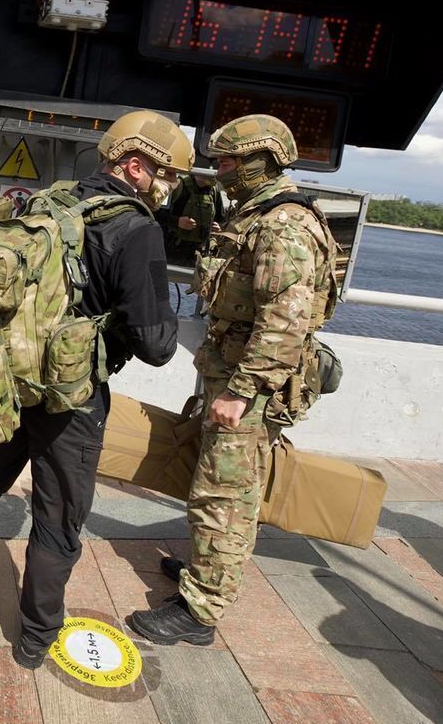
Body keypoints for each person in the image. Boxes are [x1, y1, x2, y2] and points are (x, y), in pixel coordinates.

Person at [0, 109, 187, 668]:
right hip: (71, 400)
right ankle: (36, 637)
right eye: (168, 175)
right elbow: (156, 345)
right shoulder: (137, 229)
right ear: (135, 166)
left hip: (7, 379)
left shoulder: (52, 200)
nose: (170, 188)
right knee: (58, 522)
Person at [126, 113, 337, 646]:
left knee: (225, 497)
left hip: (249, 390)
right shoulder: (259, 213)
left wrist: (242, 393)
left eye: (228, 161)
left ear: (259, 161)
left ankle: (200, 613)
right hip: (232, 378)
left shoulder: (282, 225)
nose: (218, 170)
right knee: (214, 487)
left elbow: (283, 321)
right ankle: (205, 573)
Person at [158, 171, 227, 266]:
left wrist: (217, 229)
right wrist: (177, 221)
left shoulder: (214, 191)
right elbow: (156, 215)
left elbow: (221, 220)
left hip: (198, 256)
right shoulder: (177, 186)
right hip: (171, 254)